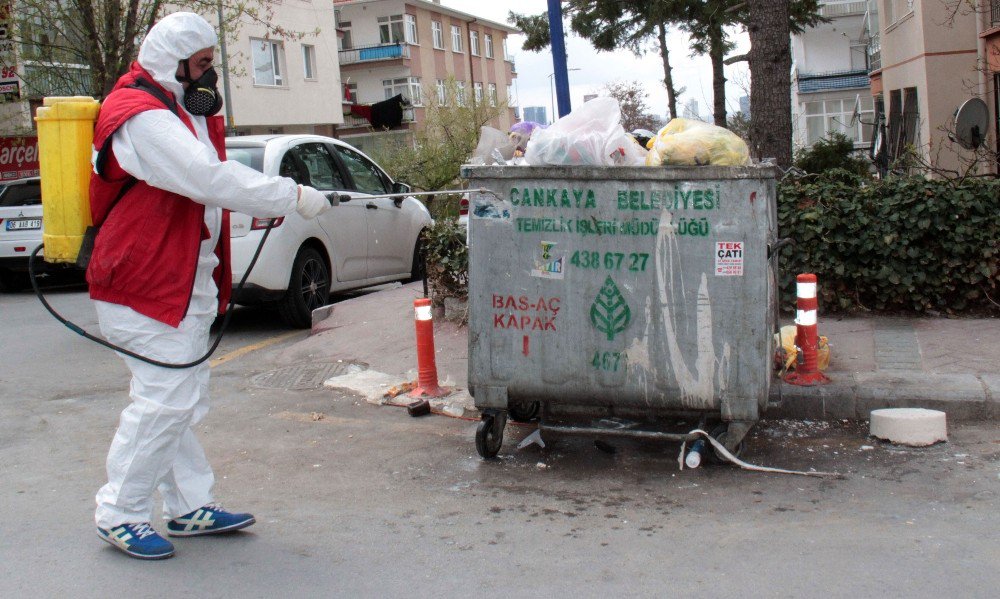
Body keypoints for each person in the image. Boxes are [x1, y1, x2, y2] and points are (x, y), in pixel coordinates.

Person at [87, 12, 331, 560]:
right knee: (165, 400)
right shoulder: (141, 117)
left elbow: (200, 185)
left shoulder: (172, 109)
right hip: (142, 281)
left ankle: (188, 505)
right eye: (201, 66)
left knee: (179, 399)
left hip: (177, 279)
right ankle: (120, 513)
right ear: (173, 66)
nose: (209, 78)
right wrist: (290, 197)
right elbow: (207, 178)